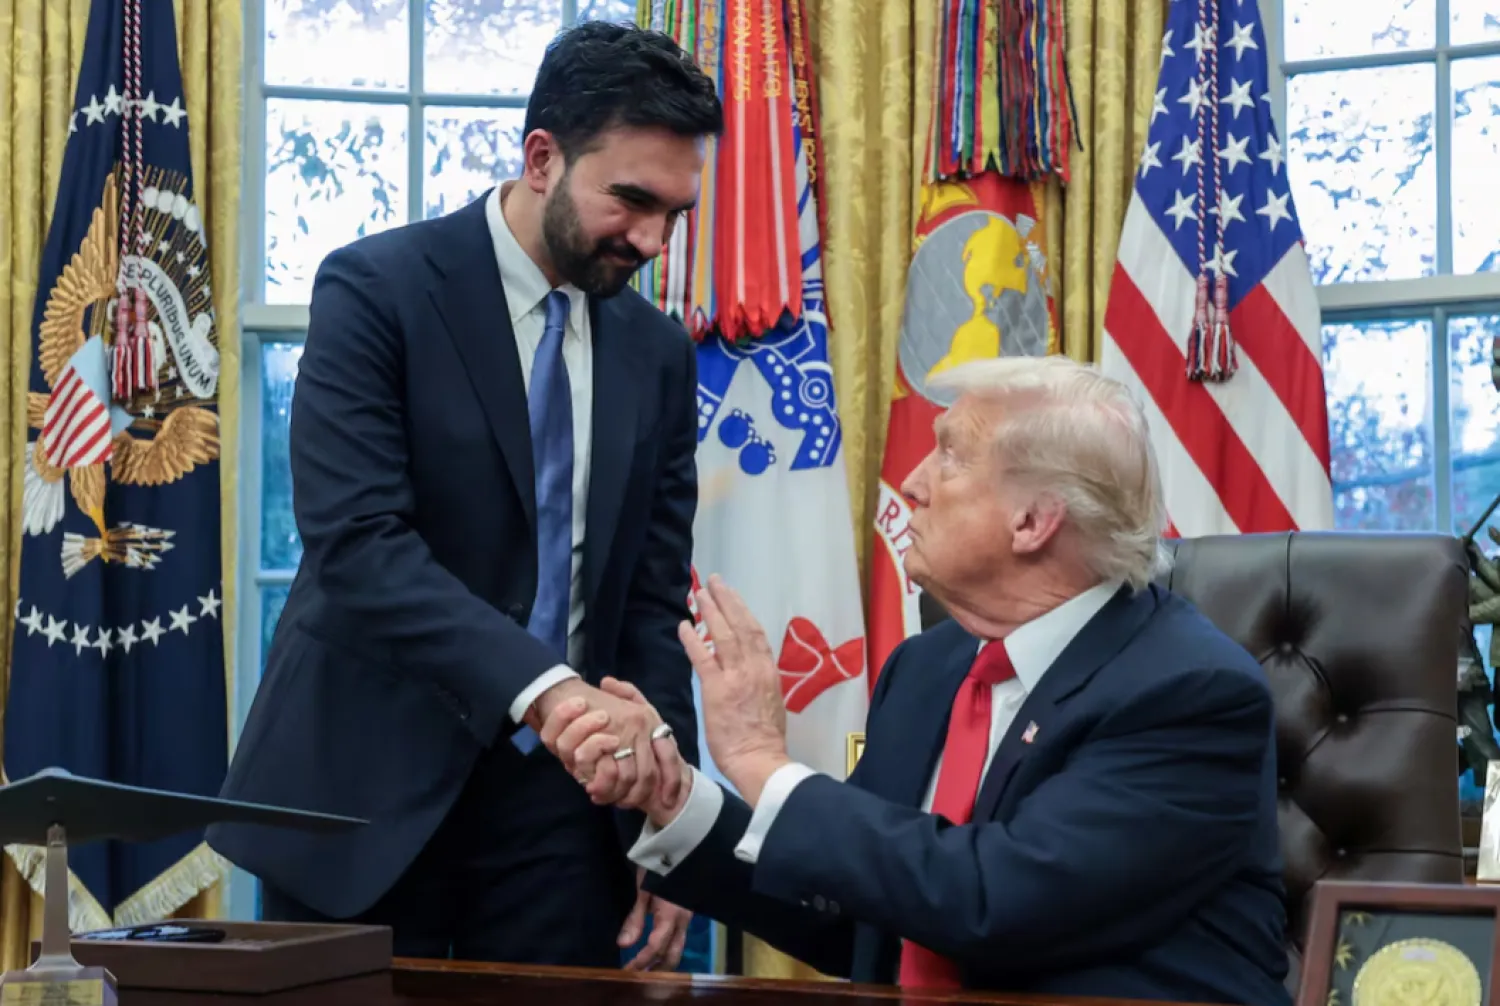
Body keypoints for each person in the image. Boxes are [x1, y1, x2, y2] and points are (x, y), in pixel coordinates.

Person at [206, 21, 722, 970]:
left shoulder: (658, 354)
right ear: (541, 158)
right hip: (361, 793)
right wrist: (548, 693)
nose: (651, 239)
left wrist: (669, 814)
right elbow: (360, 547)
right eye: (632, 200)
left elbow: (649, 599)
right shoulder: (376, 290)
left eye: (675, 214)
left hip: (567, 825)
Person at [544, 356, 1292, 1004]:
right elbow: (856, 913)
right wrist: (677, 799)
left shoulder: (1188, 693)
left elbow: (995, 902)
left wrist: (763, 765)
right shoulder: (929, 666)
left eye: (950, 456)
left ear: (1033, 521)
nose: (912, 481)